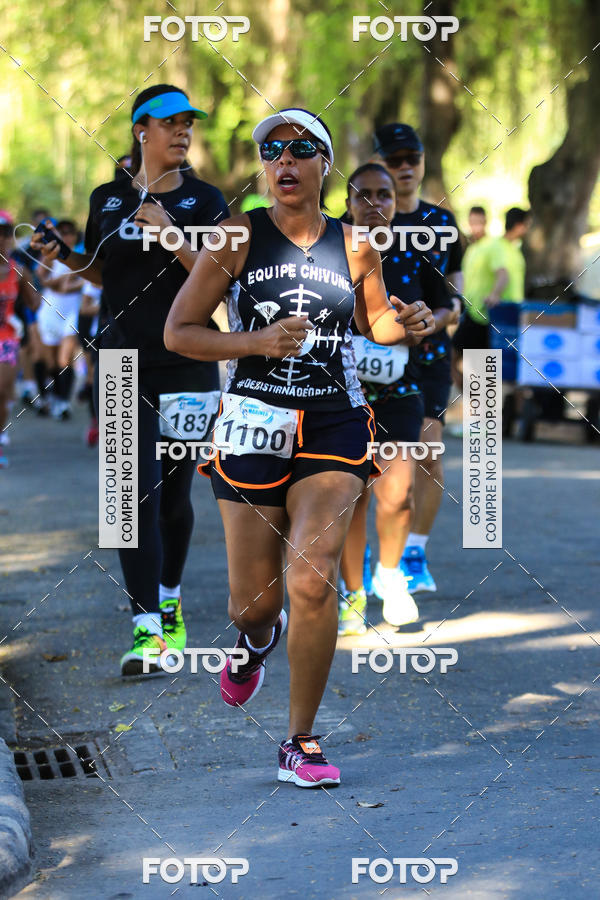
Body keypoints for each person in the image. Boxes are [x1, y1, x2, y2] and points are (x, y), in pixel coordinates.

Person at [165, 108, 435, 787]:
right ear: (264, 166)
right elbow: (181, 332)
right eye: (272, 150)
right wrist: (254, 342)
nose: (284, 160)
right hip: (253, 422)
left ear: (322, 165)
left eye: (300, 149)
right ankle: (255, 642)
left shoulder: (355, 244)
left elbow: (376, 321)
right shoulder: (236, 236)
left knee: (311, 580)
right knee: (252, 604)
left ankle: (301, 741)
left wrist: (406, 322)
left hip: (334, 425)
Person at [31, 83, 229, 675]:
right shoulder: (107, 197)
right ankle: (147, 630)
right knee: (127, 498)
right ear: (141, 130)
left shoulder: (204, 200)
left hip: (188, 363)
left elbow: (218, 275)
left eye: (188, 123)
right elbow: (98, 269)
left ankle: (170, 605)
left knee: (172, 497)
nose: (183, 132)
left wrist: (172, 234)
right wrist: (61, 256)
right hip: (120, 362)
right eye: (170, 123)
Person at [338, 163, 450, 634]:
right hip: (342, 393)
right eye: (363, 195)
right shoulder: (330, 247)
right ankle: (352, 594)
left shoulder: (414, 247)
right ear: (347, 202)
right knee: (351, 497)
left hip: (403, 388)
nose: (374, 204)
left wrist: (425, 321)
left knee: (397, 492)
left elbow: (445, 306)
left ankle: (390, 577)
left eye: (383, 195)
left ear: (395, 200)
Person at [374, 123, 462, 595]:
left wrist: (436, 318)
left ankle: (413, 552)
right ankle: (371, 553)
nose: (405, 167)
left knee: (426, 453)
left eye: (413, 158)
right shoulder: (355, 221)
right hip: (369, 356)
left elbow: (455, 299)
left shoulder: (442, 224)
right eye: (395, 159)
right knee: (372, 458)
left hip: (427, 355)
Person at [454, 206, 531, 352]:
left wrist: (495, 294)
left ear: (486, 221)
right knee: (466, 360)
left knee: (484, 368)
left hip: (497, 315)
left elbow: (503, 273)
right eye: (472, 222)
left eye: (479, 222)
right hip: (478, 313)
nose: (476, 226)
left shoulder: (502, 247)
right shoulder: (482, 247)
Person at [0, 211, 36, 466]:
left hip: (7, 339)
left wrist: (32, 281)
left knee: (1, 392)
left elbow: (34, 303)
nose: (0, 239)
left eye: (4, 234)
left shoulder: (19, 270)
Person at [36, 220, 83, 419]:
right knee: (51, 362)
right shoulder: (52, 255)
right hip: (50, 311)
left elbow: (81, 283)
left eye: (70, 232)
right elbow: (41, 276)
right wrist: (58, 282)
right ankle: (53, 396)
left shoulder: (81, 257)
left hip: (72, 312)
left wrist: (64, 284)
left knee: (66, 359)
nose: (67, 236)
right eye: (62, 233)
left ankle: (64, 403)